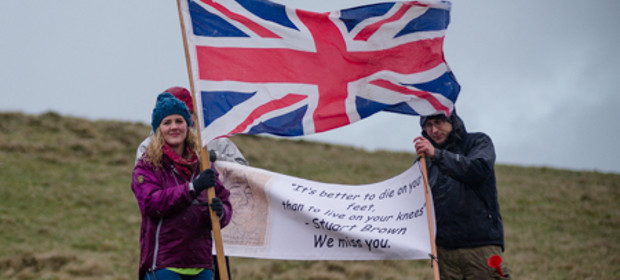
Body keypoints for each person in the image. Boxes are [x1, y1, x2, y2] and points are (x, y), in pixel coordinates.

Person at [132, 92, 232, 280]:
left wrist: (222, 212)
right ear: (158, 128)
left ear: (188, 125)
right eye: (167, 122)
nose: (174, 127)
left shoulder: (203, 164)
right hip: (163, 265)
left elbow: (225, 202)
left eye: (179, 121)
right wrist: (192, 188)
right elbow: (151, 203)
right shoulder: (147, 166)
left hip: (202, 266)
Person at [414, 111, 511, 280]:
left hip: (480, 249)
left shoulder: (478, 142)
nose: (434, 130)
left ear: (452, 120)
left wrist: (437, 155)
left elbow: (478, 170)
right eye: (428, 125)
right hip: (443, 254)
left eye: (438, 122)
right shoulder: (424, 161)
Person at [135, 87, 248, 166]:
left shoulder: (216, 140)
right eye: (168, 121)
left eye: (190, 113)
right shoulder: (147, 148)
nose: (175, 126)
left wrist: (214, 157)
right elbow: (144, 188)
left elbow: (244, 171)